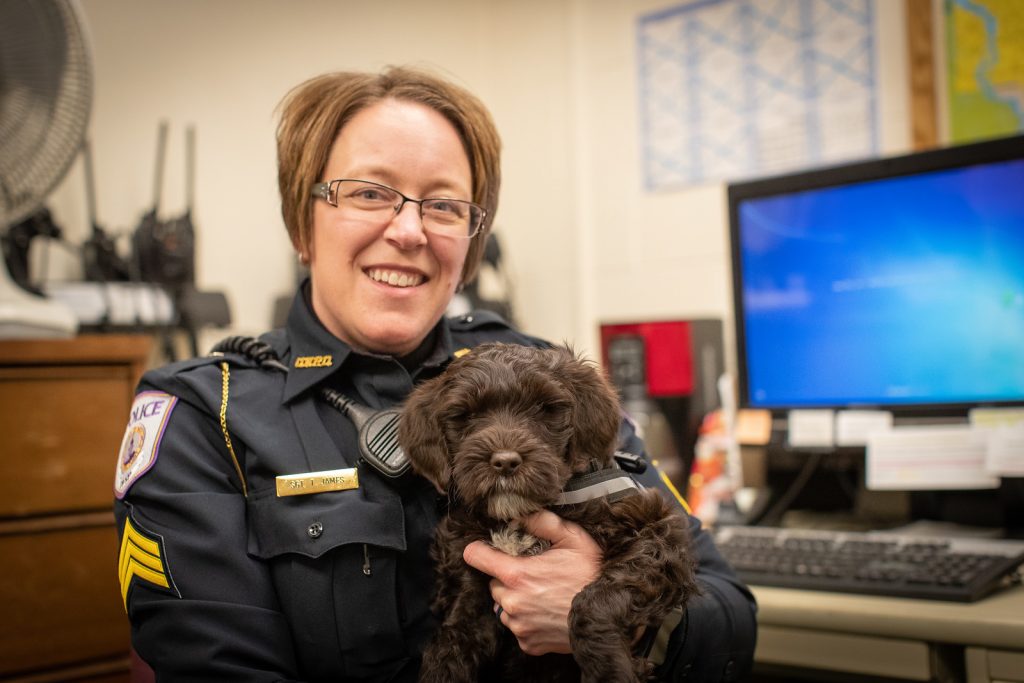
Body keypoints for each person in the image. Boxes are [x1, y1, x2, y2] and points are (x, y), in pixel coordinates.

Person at [113, 66, 757, 681]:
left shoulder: (551, 385)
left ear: (472, 243)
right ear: (301, 222)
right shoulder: (204, 414)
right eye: (369, 193)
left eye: (445, 206)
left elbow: (727, 609)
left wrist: (628, 623)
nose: (409, 230)